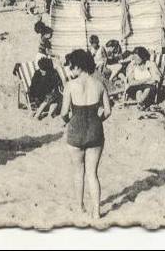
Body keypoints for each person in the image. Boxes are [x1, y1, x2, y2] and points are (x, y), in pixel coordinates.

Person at [61, 49, 111, 220]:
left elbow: (63, 113)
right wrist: (98, 120)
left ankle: (79, 207)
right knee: (92, 173)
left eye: (71, 66)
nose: (70, 70)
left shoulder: (70, 86)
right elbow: (108, 110)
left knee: (78, 172)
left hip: (76, 130)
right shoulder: (99, 84)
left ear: (77, 66)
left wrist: (71, 120)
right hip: (95, 130)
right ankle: (96, 211)